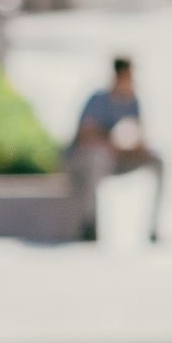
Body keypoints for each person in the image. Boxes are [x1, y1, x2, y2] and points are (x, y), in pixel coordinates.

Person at [67, 57, 164, 243]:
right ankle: (90, 225)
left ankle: (154, 227)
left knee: (159, 160)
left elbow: (138, 133)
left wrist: (136, 146)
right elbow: (86, 135)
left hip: (119, 158)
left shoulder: (133, 101)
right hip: (86, 161)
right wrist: (111, 142)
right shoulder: (98, 99)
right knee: (98, 158)